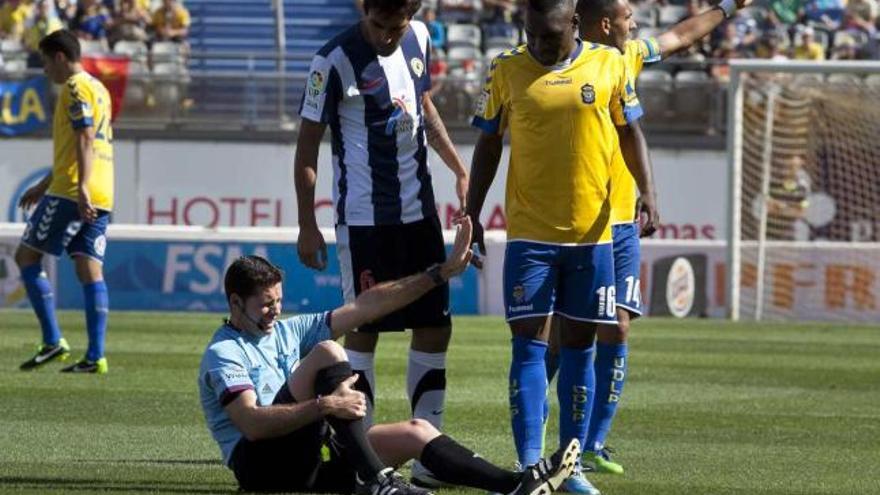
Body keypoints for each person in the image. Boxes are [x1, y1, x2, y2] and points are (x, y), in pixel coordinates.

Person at [198, 221, 581, 495]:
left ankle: (514, 484)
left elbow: (366, 306)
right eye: (265, 305)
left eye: (278, 302)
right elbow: (251, 425)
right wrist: (325, 405)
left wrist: (440, 273)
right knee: (330, 350)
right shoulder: (224, 352)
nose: (275, 312)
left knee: (417, 430)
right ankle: (378, 480)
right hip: (261, 468)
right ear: (235, 302)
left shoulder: (284, 330)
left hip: (306, 460)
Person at [467, 0, 657, 494]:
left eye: (550, 36)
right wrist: (471, 211)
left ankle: (569, 469)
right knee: (528, 348)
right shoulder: (506, 68)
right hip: (530, 236)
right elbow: (488, 144)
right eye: (534, 36)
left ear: (573, 24)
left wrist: (648, 195)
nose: (542, 46)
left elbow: (630, 131)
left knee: (579, 348)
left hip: (593, 238)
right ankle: (531, 464)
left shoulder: (610, 64)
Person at [570, 0, 752, 478]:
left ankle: (593, 445)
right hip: (580, 220)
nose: (637, 25)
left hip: (624, 218)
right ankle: (543, 443)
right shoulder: (562, 58)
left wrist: (728, 8)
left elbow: (680, 36)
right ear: (606, 21)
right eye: (629, 17)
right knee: (562, 333)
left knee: (619, 326)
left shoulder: (627, 54)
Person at [294, 0, 469, 486]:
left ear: (413, 12)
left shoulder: (421, 39)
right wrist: (308, 224)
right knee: (363, 328)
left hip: (421, 215)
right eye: (379, 24)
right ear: (363, 9)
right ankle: (364, 458)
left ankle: (431, 454)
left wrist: (457, 167)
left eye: (398, 24)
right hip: (365, 222)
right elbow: (307, 146)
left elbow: (424, 102)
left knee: (435, 328)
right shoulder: (332, 61)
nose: (389, 34)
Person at [16, 30, 115, 374]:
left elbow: (85, 137)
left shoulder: (74, 88)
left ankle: (52, 341)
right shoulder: (99, 88)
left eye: (45, 61)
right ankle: (95, 356)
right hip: (101, 190)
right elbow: (81, 147)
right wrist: (45, 184)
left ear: (59, 57)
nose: (44, 70)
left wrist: (80, 187)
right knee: (89, 269)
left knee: (26, 256)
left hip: (74, 191)